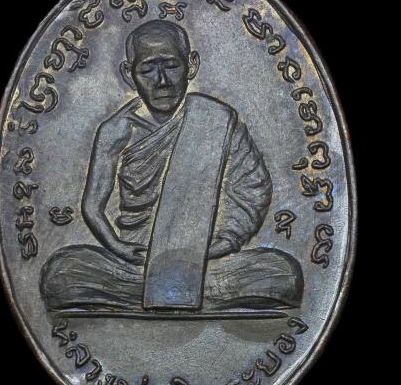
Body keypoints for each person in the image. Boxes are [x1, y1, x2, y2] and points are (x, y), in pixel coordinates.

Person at [40, 20, 303, 312]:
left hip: (203, 259)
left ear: (191, 65)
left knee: (283, 273)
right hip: (136, 262)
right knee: (61, 273)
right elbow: (92, 206)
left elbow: (251, 188)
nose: (162, 81)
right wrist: (119, 248)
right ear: (128, 74)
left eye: (171, 66)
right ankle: (182, 291)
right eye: (147, 70)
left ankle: (161, 291)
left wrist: (222, 243)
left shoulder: (216, 118)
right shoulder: (116, 130)